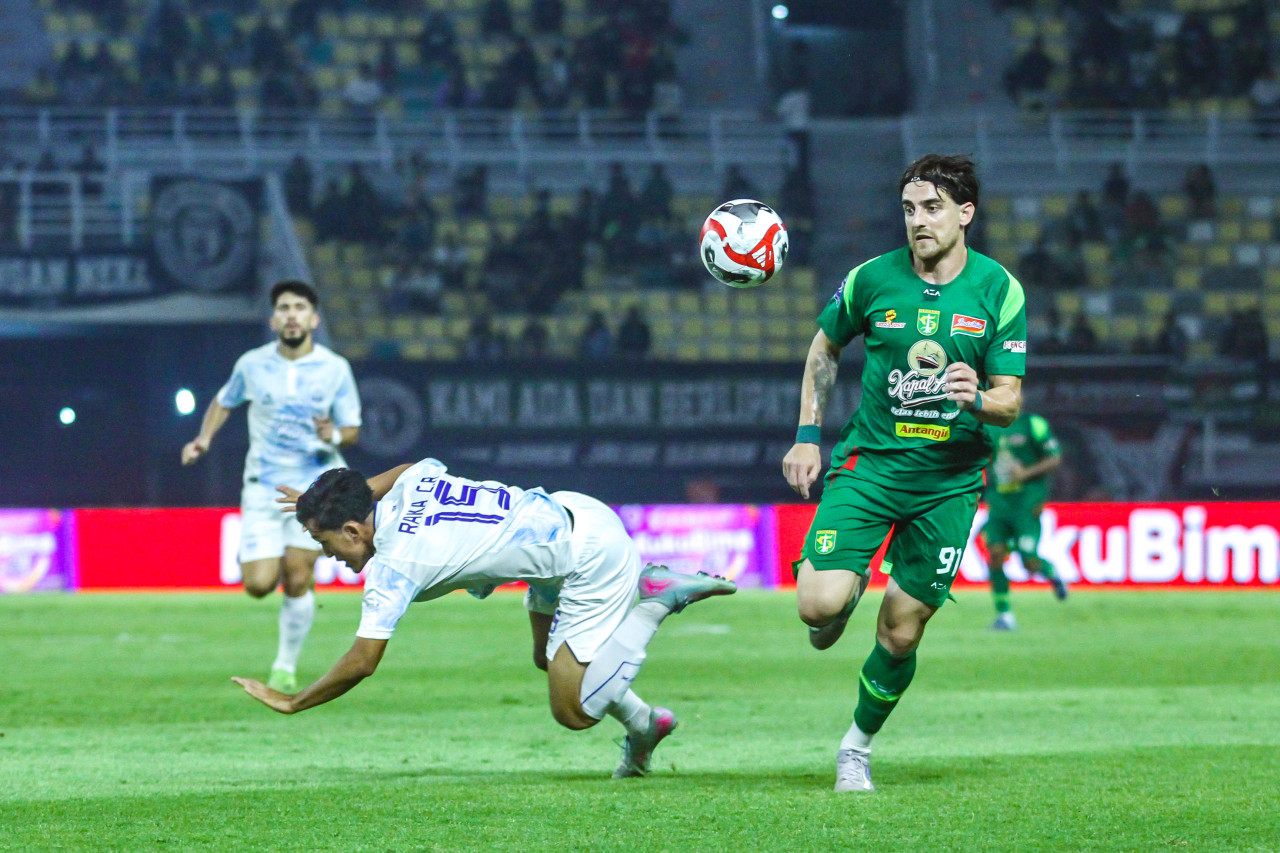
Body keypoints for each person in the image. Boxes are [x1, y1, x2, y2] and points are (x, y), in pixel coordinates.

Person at [231, 459, 737, 778]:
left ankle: (654, 598)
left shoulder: (393, 566)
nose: (327, 555)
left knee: (574, 711)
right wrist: (325, 502)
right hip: (568, 513)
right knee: (547, 659)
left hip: (587, 559)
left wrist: (295, 702)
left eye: (325, 543)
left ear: (351, 529)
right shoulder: (411, 485)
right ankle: (645, 725)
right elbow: (404, 470)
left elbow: (363, 661)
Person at [781, 154, 1026, 793]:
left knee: (901, 627)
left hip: (948, 483)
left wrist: (978, 397)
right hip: (871, 467)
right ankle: (845, 584)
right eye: (910, 209)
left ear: (965, 214)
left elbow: (1010, 402)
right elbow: (824, 348)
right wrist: (808, 435)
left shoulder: (999, 290)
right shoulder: (870, 280)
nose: (918, 221)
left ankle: (855, 749)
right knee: (816, 608)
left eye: (933, 208)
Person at [182, 281, 362, 692]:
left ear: (313, 319)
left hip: (315, 489)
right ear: (273, 319)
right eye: (284, 307)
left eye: (300, 307)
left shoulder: (335, 368)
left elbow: (351, 429)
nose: (292, 314)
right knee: (259, 585)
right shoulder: (252, 364)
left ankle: (285, 665)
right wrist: (204, 439)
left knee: (298, 574)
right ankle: (278, 578)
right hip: (263, 487)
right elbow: (224, 401)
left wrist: (333, 434)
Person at [981, 411, 1067, 631]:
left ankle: (1050, 573)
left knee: (1028, 560)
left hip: (1026, 503)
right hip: (999, 502)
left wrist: (1026, 473)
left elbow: (1054, 458)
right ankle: (1004, 615)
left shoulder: (1033, 424)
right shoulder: (987, 425)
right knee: (996, 554)